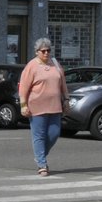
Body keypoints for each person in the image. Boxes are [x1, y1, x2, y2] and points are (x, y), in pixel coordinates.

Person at [17, 37, 68, 176]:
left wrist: (66, 99)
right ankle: (42, 164)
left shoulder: (55, 64)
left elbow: (63, 83)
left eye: (48, 50)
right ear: (37, 52)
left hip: (55, 106)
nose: (46, 53)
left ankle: (40, 155)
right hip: (36, 107)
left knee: (54, 134)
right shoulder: (31, 66)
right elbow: (23, 88)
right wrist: (23, 105)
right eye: (43, 51)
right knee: (38, 136)